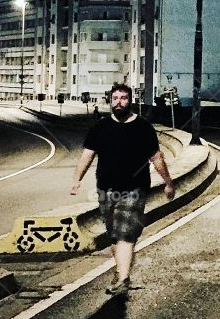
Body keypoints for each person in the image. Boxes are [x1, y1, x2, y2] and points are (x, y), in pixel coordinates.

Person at [70, 83, 174, 295]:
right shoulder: (99, 127)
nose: (119, 102)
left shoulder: (143, 127)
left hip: (134, 189)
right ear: (110, 100)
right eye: (115, 98)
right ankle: (121, 273)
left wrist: (168, 182)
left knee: (126, 233)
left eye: (123, 98)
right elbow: (87, 155)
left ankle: (123, 279)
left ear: (130, 101)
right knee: (115, 235)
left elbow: (156, 157)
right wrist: (77, 179)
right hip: (106, 189)